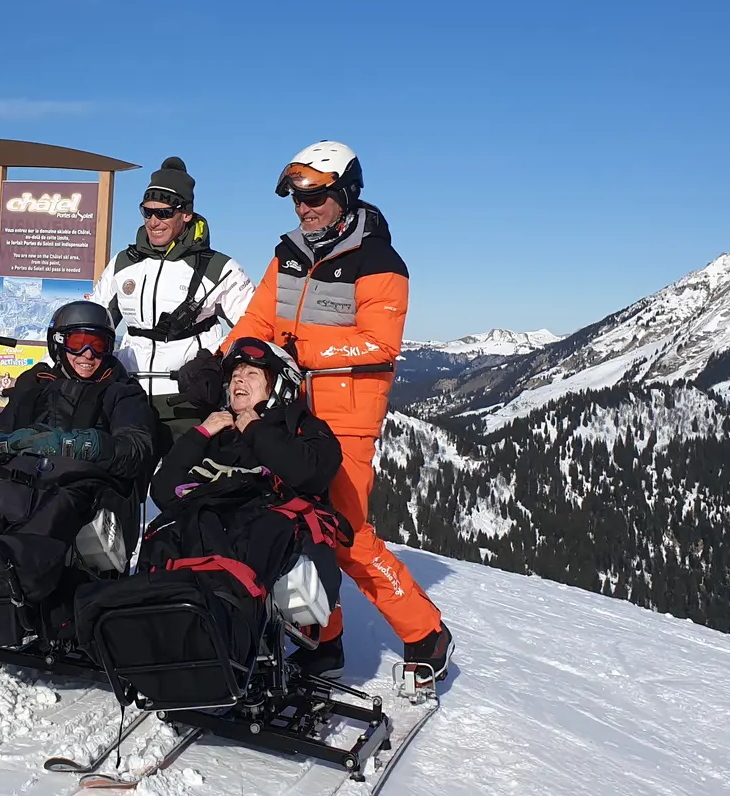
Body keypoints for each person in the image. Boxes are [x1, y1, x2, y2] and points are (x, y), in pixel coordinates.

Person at [194, 140, 452, 684]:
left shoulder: (379, 260)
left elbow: (378, 344)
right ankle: (321, 637)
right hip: (286, 413)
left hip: (346, 420)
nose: (305, 208)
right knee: (292, 530)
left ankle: (425, 631)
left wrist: (294, 351)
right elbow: (258, 321)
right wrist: (222, 361)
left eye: (316, 197)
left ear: (346, 194)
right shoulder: (287, 253)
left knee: (345, 534)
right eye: (297, 199)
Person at [74, 338, 348, 704]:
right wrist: (200, 434)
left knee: (250, 542)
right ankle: (148, 635)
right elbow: (164, 491)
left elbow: (308, 473)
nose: (239, 380)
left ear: (279, 385)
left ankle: (222, 641)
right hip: (205, 517)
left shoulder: (304, 428)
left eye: (252, 374)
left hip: (260, 523)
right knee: (165, 537)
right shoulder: (217, 432)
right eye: (235, 373)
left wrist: (257, 429)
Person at [0, 301, 156, 652]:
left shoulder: (121, 392)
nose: (87, 354)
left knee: (56, 506)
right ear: (58, 343)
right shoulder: (36, 386)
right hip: (21, 474)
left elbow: (137, 448)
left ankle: (10, 574)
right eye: (77, 342)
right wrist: (3, 445)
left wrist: (72, 445)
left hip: (80, 480)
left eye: (97, 345)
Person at [92, 156, 255, 453]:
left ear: (186, 214)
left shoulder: (220, 268)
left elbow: (253, 327)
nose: (154, 222)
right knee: (127, 487)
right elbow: (91, 323)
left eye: (164, 213)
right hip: (130, 397)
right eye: (147, 212)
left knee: (183, 489)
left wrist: (213, 364)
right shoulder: (122, 264)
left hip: (188, 402)